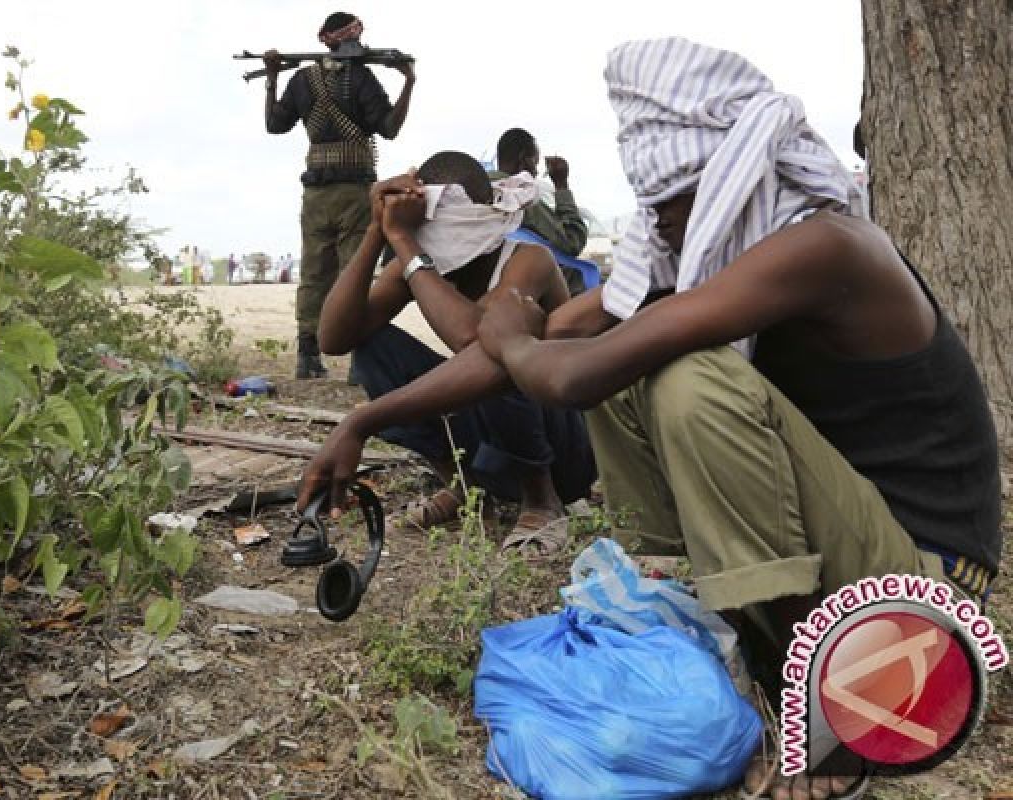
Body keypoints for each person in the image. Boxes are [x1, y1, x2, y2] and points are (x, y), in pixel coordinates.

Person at [475, 38, 1001, 800]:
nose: (662, 224)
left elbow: (567, 369)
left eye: (673, 203)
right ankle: (685, 632)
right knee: (635, 362)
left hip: (919, 590)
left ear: (732, 179)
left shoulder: (827, 246)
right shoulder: (707, 252)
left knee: (684, 374)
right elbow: (563, 340)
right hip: (846, 546)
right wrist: (362, 426)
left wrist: (511, 332)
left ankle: (832, 709)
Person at [297, 150, 596, 556]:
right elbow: (334, 337)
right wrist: (376, 232)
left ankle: (542, 501)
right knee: (372, 348)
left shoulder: (528, 261)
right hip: (491, 437)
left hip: (564, 449)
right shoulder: (420, 265)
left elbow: (478, 339)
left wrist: (404, 244)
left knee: (501, 351)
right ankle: (466, 485)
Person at [263, 11, 417, 379]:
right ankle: (359, 362)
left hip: (316, 194)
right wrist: (409, 83)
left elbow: (274, 124)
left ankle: (307, 355)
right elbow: (390, 128)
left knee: (314, 272)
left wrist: (272, 79)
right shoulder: (361, 77)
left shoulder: (301, 79)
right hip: (355, 192)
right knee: (356, 271)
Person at [490, 128, 590, 296]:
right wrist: (561, 185)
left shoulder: (479, 189)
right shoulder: (519, 195)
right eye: (535, 164)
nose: (536, 173)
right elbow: (572, 242)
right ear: (523, 160)